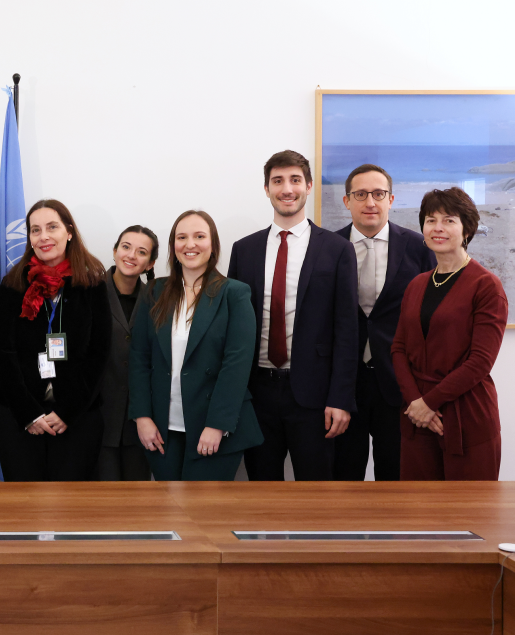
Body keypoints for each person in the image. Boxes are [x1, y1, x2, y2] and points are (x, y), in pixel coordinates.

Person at [227, 150, 358, 481]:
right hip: (256, 395)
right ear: (267, 189)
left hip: (314, 398)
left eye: (295, 180)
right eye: (278, 181)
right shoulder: (244, 250)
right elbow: (232, 328)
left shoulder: (337, 249)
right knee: (262, 493)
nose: (287, 189)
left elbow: (347, 329)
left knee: (316, 499)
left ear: (309, 186)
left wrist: (341, 398)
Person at [130, 211, 263, 480]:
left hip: (213, 428)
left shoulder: (234, 293)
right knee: (168, 513)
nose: (190, 244)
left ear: (212, 244)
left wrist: (217, 425)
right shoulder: (154, 291)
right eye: (182, 237)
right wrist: (142, 417)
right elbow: (139, 358)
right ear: (173, 246)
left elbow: (236, 365)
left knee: (205, 516)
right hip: (161, 430)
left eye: (199, 236)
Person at [391, 187, 507, 480]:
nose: (438, 228)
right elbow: (399, 349)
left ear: (467, 229)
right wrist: (417, 403)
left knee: (470, 517)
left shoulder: (486, 286)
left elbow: (480, 362)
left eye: (449, 220)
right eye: (431, 220)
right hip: (417, 420)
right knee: (418, 518)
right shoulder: (417, 284)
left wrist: (429, 403)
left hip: (467, 417)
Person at [0, 199, 110, 481]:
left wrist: (67, 412)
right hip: (22, 419)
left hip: (77, 418)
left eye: (52, 227)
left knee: (70, 512)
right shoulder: (12, 285)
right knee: (26, 511)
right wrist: (29, 414)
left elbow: (98, 353)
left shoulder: (92, 284)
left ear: (69, 232)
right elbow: (2, 353)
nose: (43, 236)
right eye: (35, 230)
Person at [333, 165, 436, 481]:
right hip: (343, 386)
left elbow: (431, 317)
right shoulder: (328, 248)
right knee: (343, 478)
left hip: (399, 383)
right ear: (346, 201)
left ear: (391, 199)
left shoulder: (419, 247)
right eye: (360, 194)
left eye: (378, 194)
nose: (370, 203)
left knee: (396, 476)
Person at [97, 225, 158, 481]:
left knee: (138, 508)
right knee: (101, 506)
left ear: (149, 263)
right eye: (126, 247)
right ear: (114, 251)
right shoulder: (90, 292)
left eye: (141, 252)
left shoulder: (157, 300)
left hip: (141, 422)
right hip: (98, 419)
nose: (131, 255)